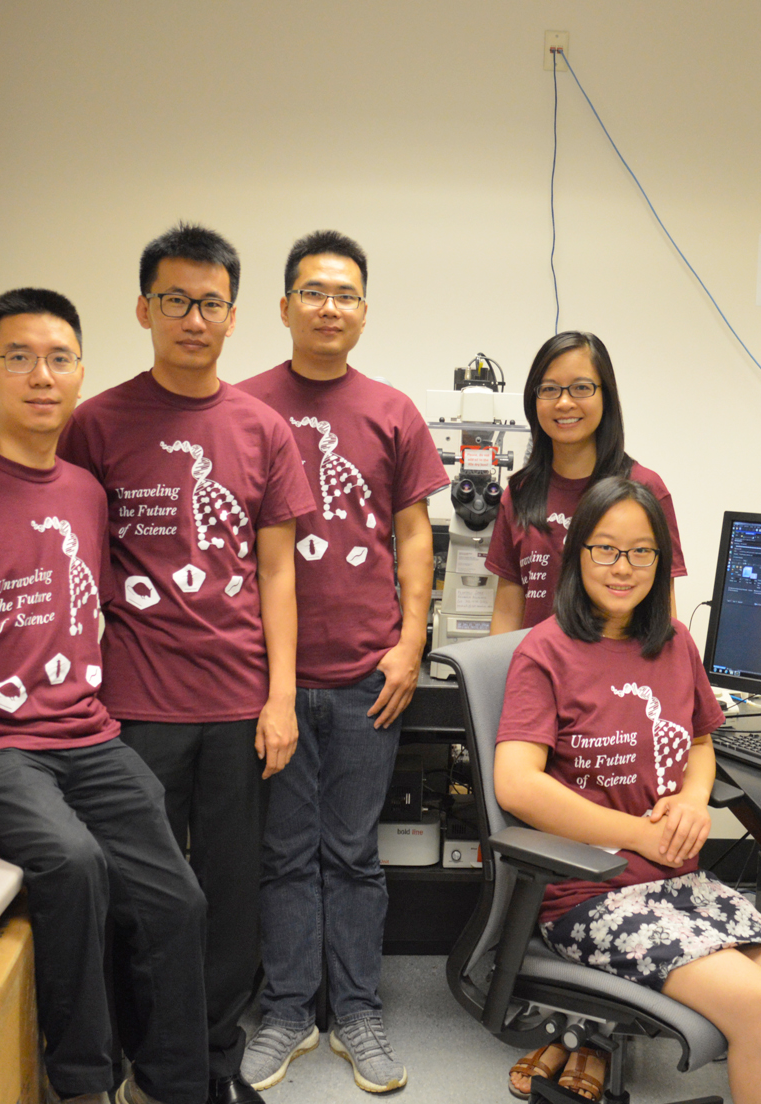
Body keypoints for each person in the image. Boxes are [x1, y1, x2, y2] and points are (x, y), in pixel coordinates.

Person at [0, 288, 208, 1104]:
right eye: (18, 358)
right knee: (73, 864)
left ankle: (172, 1086)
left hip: (85, 736)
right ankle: (83, 1084)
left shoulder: (86, 492)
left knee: (177, 900)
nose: (40, 376)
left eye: (58, 359)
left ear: (81, 374)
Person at [58, 224, 314, 1104]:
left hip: (240, 705)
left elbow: (278, 573)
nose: (193, 318)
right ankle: (145, 1065)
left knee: (231, 905)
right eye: (175, 300)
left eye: (209, 303)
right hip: (133, 711)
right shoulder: (95, 426)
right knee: (143, 905)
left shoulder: (262, 429)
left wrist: (280, 699)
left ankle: (208, 1067)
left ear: (234, 317)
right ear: (144, 309)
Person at [495, 477, 761, 1104]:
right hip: (589, 895)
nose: (623, 568)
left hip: (679, 884)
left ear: (661, 559)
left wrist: (692, 798)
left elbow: (700, 743)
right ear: (578, 555)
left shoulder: (674, 645)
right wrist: (636, 834)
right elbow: (515, 785)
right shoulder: (546, 651)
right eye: (606, 550)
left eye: (641, 552)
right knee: (759, 1008)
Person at [236, 230, 449, 1095]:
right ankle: (289, 1008)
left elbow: (414, 535)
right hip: (271, 678)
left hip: (369, 676)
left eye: (347, 294)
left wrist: (410, 644)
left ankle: (356, 1009)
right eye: (314, 292)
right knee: (286, 852)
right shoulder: (243, 407)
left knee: (353, 852)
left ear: (363, 310)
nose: (330, 308)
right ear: (284, 307)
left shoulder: (392, 411)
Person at [486, 331, 687, 635]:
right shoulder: (519, 494)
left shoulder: (645, 490)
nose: (564, 402)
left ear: (606, 395)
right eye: (550, 389)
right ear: (534, 398)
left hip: (619, 679)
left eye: (581, 388)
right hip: (538, 673)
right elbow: (507, 608)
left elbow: (663, 610)